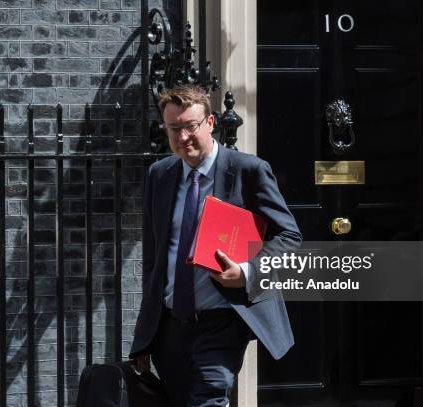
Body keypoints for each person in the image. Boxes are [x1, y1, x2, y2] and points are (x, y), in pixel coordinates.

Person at [129, 85, 302, 407]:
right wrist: (144, 338)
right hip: (170, 327)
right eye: (174, 129)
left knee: (208, 399)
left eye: (190, 127)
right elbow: (155, 262)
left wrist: (248, 272)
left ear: (210, 122)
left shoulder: (248, 170)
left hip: (221, 322)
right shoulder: (160, 174)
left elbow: (289, 237)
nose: (183, 138)